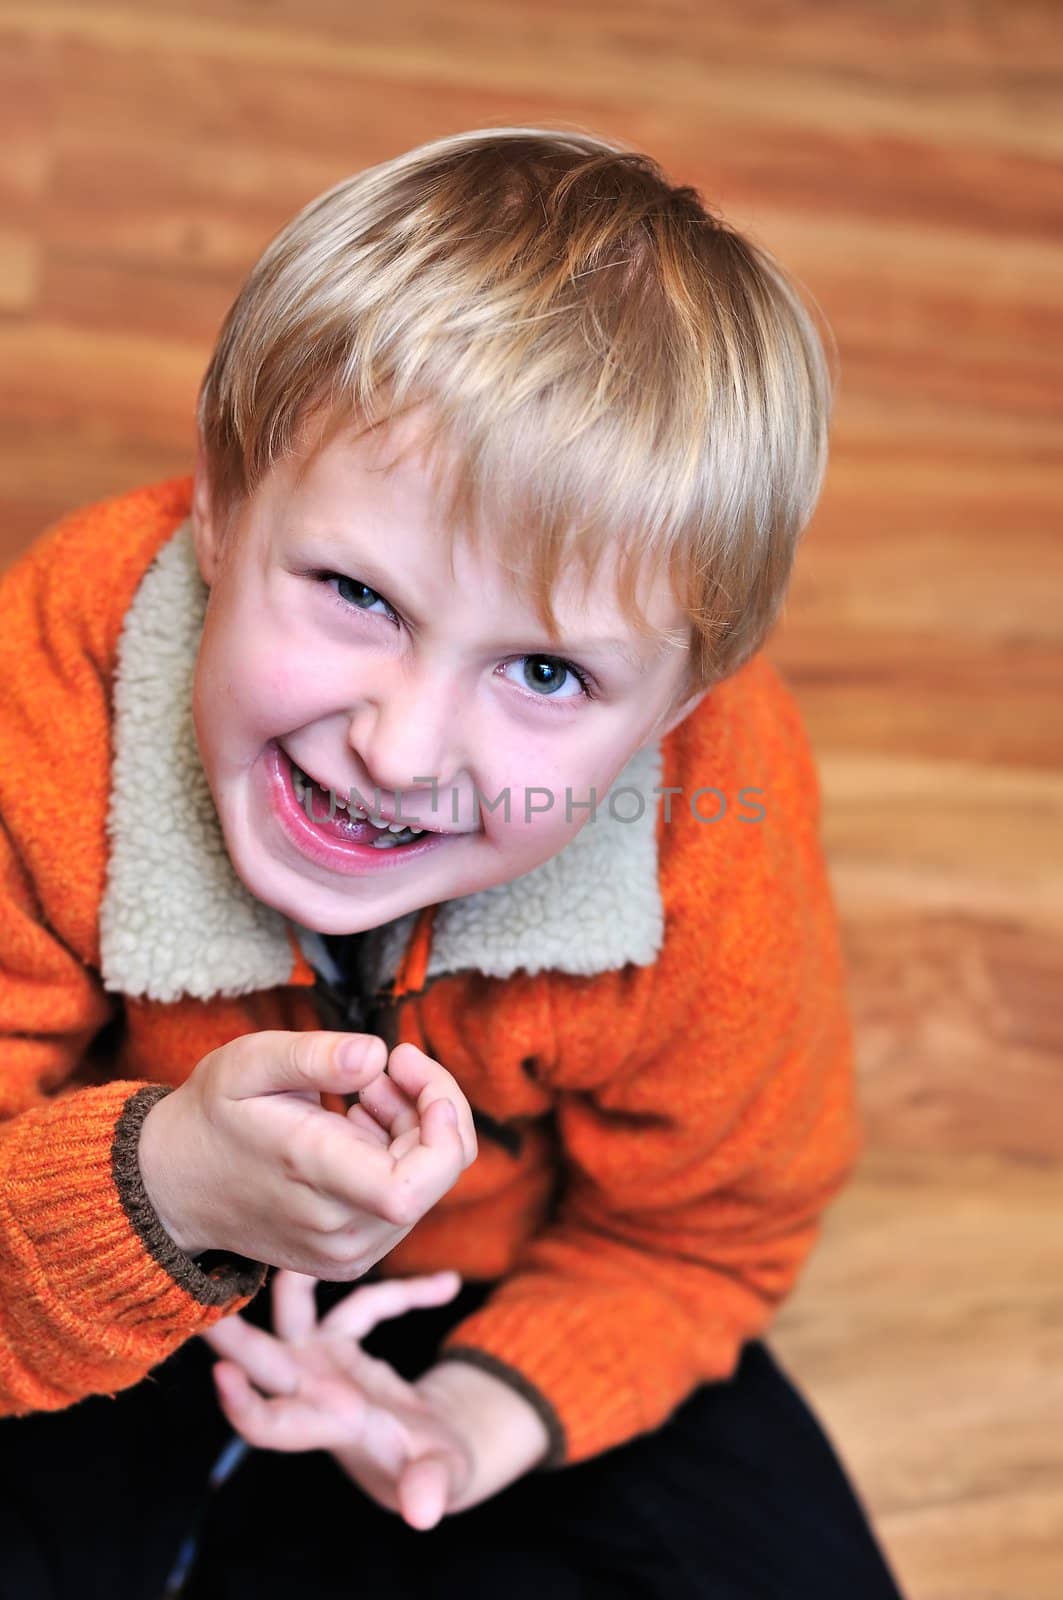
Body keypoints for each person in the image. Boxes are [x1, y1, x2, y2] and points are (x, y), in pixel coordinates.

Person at [0, 125, 907, 1598]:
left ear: (676, 710)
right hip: (97, 1216)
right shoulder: (56, 676)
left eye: (546, 674)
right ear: (221, 508)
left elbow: (711, 1237)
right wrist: (172, 1186)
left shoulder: (711, 830)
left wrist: (473, 1418)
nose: (404, 751)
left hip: (488, 1289)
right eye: (358, 593)